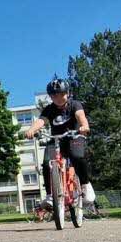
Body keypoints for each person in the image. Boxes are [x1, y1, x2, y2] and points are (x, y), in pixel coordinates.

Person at [25, 77, 96, 208]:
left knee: (77, 157)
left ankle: (85, 185)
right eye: (54, 95)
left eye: (61, 94)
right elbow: (41, 121)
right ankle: (50, 196)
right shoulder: (49, 109)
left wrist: (84, 126)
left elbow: (81, 116)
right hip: (57, 139)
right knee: (47, 164)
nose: (58, 98)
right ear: (51, 97)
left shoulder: (75, 105)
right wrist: (31, 130)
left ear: (67, 93)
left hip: (74, 136)